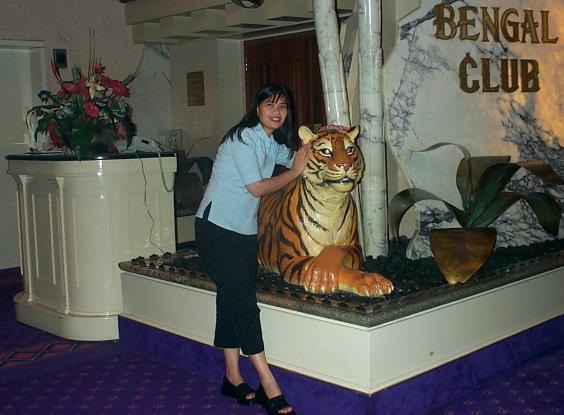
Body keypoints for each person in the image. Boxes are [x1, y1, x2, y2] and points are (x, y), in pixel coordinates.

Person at [194, 83, 311, 415]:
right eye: (270, 105)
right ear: (257, 108)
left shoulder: (269, 142)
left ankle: (232, 376)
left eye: (282, 107)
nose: (277, 111)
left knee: (230, 299)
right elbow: (257, 188)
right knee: (244, 304)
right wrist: (295, 173)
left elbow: (295, 156)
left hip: (244, 232)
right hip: (216, 230)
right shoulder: (243, 139)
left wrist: (321, 142)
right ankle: (268, 383)